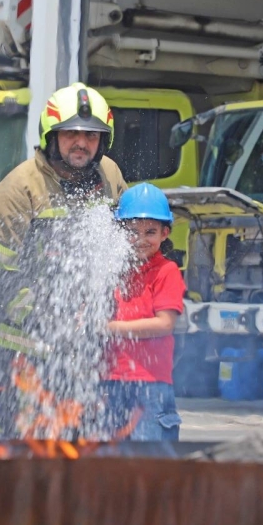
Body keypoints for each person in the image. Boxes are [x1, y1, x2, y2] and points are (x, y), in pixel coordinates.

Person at [0, 82, 128, 438]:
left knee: (82, 456)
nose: (82, 143)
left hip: (83, 353)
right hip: (20, 358)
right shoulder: (16, 191)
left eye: (91, 136)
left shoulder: (110, 176)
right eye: (71, 134)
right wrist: (54, 320)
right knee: (23, 463)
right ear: (51, 135)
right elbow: (3, 283)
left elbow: (125, 246)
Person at [102, 183, 185, 441]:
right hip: (112, 380)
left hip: (151, 385)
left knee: (150, 463)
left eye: (150, 231)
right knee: (111, 461)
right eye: (132, 231)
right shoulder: (114, 270)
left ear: (165, 233)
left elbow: (165, 324)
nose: (140, 239)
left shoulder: (166, 271)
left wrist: (111, 328)